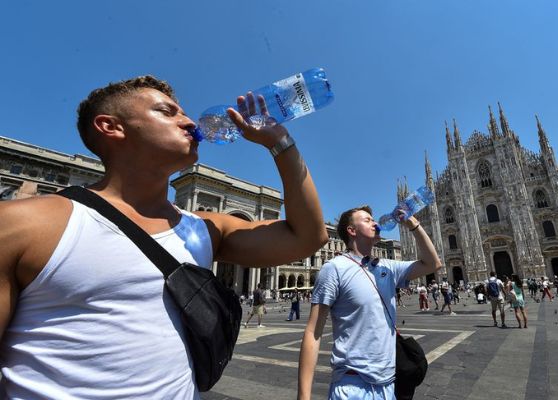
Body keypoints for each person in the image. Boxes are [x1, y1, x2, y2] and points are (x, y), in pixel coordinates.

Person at [0, 76, 329, 399]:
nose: (188, 120)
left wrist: (280, 143)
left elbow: (307, 236)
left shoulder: (203, 228)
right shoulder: (26, 224)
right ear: (111, 127)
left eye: (183, 112)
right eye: (167, 112)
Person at [297, 206, 441, 400]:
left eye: (373, 219)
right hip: (352, 385)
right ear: (352, 231)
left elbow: (432, 264)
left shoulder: (387, 267)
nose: (375, 223)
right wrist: (303, 396)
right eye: (367, 220)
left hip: (389, 385)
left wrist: (413, 224)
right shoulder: (334, 269)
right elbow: (313, 332)